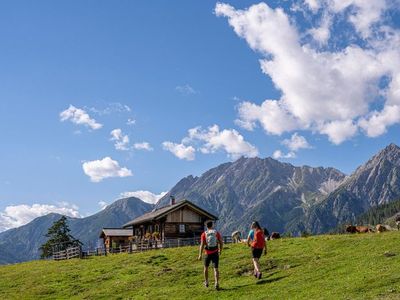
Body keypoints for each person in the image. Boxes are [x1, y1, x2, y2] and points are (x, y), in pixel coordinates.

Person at [198, 221, 223, 290]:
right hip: (215, 252)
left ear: (206, 226)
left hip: (207, 253)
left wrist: (200, 254)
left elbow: (202, 245)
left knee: (206, 267)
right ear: (212, 225)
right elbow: (221, 242)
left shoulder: (204, 234)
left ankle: (206, 282)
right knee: (216, 269)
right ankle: (217, 283)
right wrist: (220, 250)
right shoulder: (216, 233)